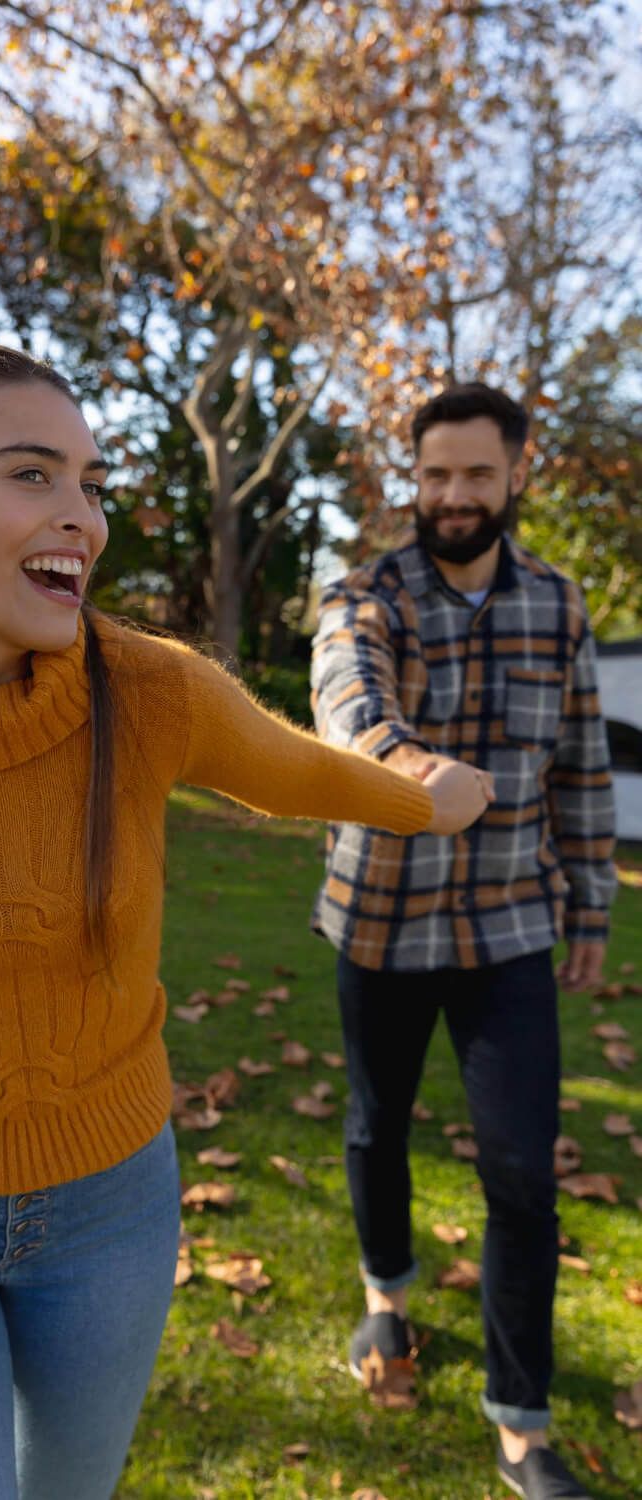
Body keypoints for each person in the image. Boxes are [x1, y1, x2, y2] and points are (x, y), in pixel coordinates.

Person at [0, 344, 488, 1500]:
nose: (84, 518)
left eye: (90, 484)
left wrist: (425, 799)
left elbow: (289, 772)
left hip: (109, 1207)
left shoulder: (144, 690)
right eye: (32, 476)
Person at [310, 382, 618, 1500]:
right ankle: (385, 1299)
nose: (451, 496)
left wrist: (590, 910)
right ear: (415, 478)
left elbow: (582, 770)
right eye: (434, 475)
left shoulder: (559, 604)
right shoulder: (364, 593)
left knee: (521, 1174)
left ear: (515, 475)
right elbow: (344, 692)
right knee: (374, 1124)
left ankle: (518, 1422)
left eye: (475, 475)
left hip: (510, 927)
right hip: (381, 920)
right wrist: (403, 765)